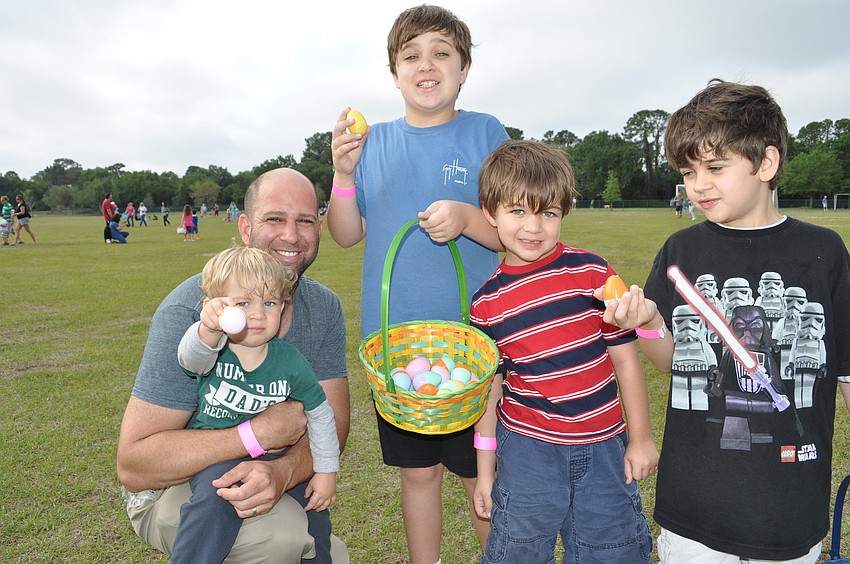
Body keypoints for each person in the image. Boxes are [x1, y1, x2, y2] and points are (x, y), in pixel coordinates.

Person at [601, 80, 850, 563]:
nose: (698, 186)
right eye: (689, 172)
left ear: (767, 164)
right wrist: (650, 321)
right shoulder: (681, 251)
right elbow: (673, 363)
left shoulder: (823, 253)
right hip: (696, 506)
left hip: (789, 507)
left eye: (715, 167)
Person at [328, 5, 508, 562]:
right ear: (394, 70)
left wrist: (467, 218)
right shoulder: (372, 141)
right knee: (418, 476)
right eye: (411, 55)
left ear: (464, 67)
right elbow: (345, 234)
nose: (426, 65)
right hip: (401, 347)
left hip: (476, 343)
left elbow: (512, 233)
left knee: (483, 475)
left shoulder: (485, 132)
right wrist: (341, 173)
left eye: (441, 53)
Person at [116, 167, 351, 564]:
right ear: (245, 227)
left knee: (322, 543)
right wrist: (256, 435)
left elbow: (333, 421)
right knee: (280, 539)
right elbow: (136, 466)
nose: (291, 235)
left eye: (305, 221)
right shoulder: (193, 311)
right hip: (172, 485)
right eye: (274, 219)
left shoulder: (322, 308)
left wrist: (283, 472)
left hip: (269, 465)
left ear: (319, 229)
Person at [469, 140, 657, 563]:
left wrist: (641, 439)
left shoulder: (592, 273)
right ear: (489, 211)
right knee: (518, 550)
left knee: (612, 551)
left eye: (548, 213)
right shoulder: (485, 304)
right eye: (518, 211)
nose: (534, 227)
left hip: (606, 448)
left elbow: (625, 360)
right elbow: (489, 394)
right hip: (527, 451)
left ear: (563, 212)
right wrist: (485, 473)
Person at [171, 245, 339, 563]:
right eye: (244, 302)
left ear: (283, 306)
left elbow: (320, 413)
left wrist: (326, 471)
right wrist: (207, 330)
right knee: (215, 500)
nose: (258, 313)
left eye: (270, 302)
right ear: (217, 307)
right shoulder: (214, 350)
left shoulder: (290, 361)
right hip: (220, 454)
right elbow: (190, 361)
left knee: (315, 513)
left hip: (278, 453)